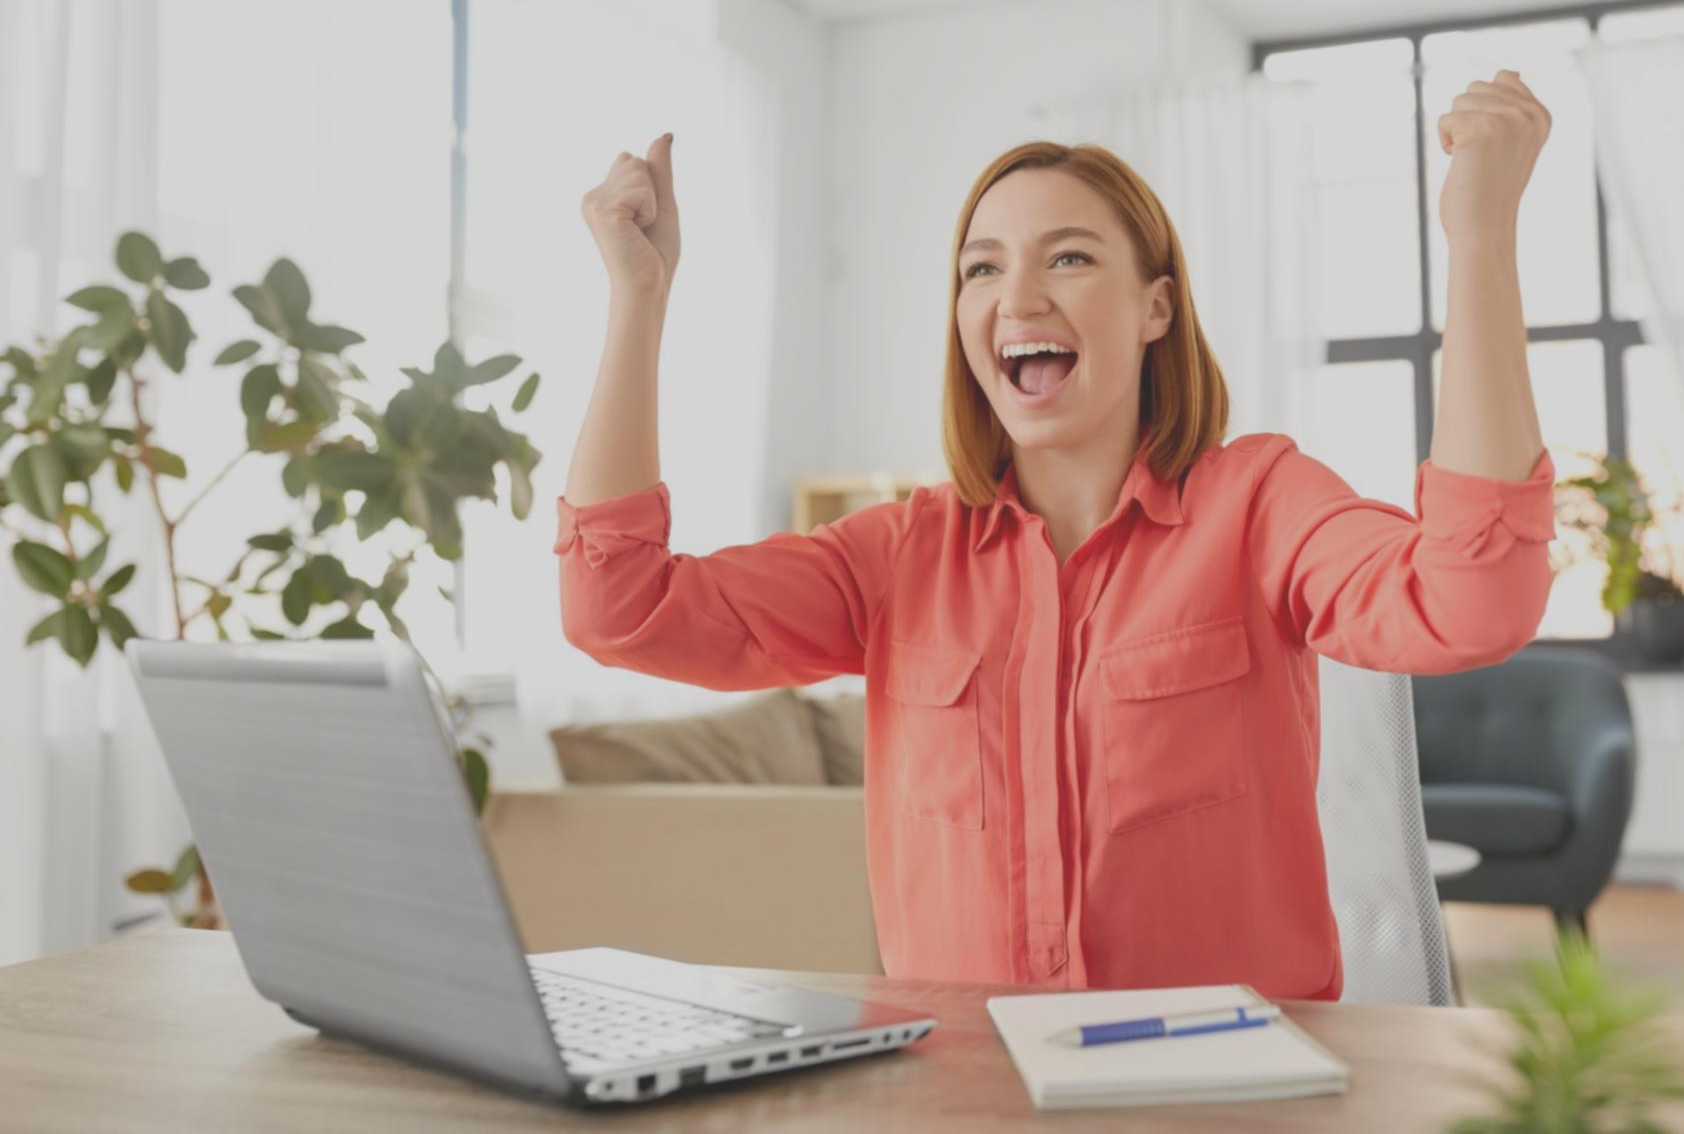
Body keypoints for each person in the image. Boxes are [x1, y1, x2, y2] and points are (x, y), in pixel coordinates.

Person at [556, 71, 1558, 999]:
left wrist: (1479, 236)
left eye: (1068, 257)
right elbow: (619, 607)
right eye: (979, 269)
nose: (1016, 299)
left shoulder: (1260, 504)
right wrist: (635, 297)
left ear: (1155, 306)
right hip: (966, 1098)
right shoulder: (897, 557)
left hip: (1222, 1100)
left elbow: (1469, 601)